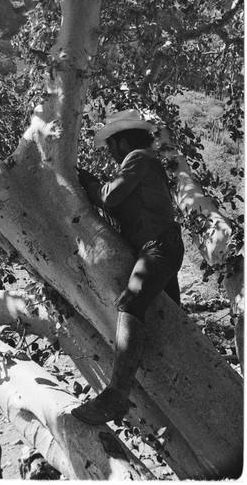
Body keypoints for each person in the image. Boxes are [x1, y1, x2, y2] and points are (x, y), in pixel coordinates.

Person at [72, 109, 184, 425]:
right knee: (171, 320)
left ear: (122, 142)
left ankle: (117, 395)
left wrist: (92, 183)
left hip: (158, 246)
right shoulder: (145, 163)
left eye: (111, 145)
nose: (109, 152)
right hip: (160, 246)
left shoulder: (138, 158)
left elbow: (109, 197)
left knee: (131, 302)